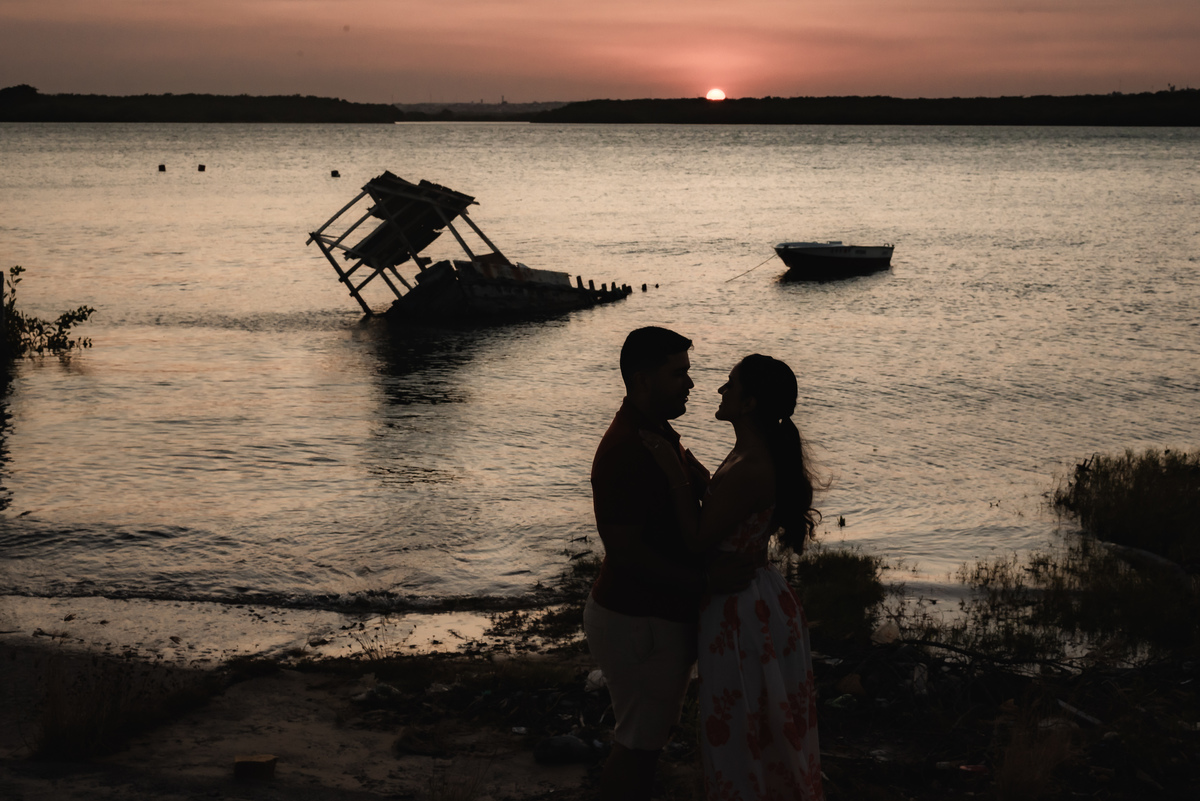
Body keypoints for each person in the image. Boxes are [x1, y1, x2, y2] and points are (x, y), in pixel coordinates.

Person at [642, 353, 825, 800]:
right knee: (755, 720)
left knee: (742, 721)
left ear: (749, 403)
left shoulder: (753, 466)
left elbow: (697, 538)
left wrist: (673, 473)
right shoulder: (749, 453)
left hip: (742, 608)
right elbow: (724, 502)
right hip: (748, 599)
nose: (721, 390)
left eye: (730, 384)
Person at [585, 327, 757, 801]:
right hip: (637, 619)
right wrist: (704, 580)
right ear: (642, 380)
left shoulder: (657, 434)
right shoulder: (627, 449)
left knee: (649, 740)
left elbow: (708, 490)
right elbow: (625, 552)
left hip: (654, 617)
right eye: (678, 372)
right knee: (638, 744)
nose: (691, 383)